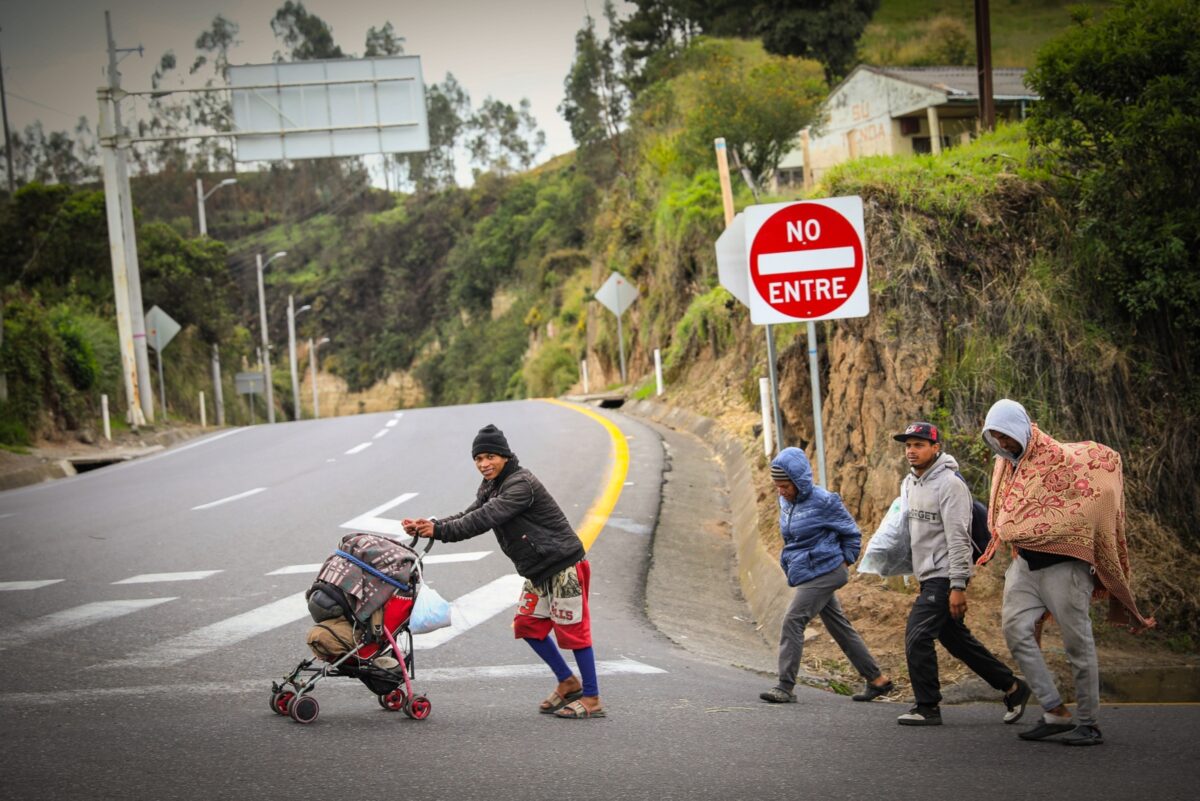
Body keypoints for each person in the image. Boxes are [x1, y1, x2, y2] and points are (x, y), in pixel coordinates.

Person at [401, 424, 604, 719]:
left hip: (563, 566)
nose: (484, 464)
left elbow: (484, 518)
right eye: (478, 458)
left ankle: (592, 698)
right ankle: (568, 681)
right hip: (538, 570)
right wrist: (431, 525)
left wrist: (440, 531)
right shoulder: (492, 485)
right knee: (527, 626)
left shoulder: (521, 485)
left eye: (490, 457)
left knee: (574, 633)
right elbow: (470, 513)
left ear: (505, 456)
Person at [982, 400, 1154, 746]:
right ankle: (1054, 711)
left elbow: (1095, 490)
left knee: (1078, 643)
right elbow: (1008, 511)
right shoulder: (1006, 463)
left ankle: (1089, 723)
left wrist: (1061, 527)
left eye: (1006, 435)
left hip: (1065, 566)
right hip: (1025, 564)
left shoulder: (1055, 458)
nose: (1002, 442)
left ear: (1020, 429)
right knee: (1015, 630)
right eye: (995, 436)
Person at [892, 421, 1031, 726]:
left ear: (935, 448)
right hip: (928, 575)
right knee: (956, 641)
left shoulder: (950, 485)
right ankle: (1013, 687)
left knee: (917, 635)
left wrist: (958, 585)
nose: (912, 451)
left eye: (919, 445)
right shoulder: (909, 483)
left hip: (945, 575)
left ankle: (927, 706)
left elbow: (958, 539)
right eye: (908, 445)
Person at [758, 447, 894, 705]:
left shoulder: (824, 501)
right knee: (838, 626)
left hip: (828, 570)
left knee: (793, 620)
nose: (781, 491)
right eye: (777, 486)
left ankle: (785, 686)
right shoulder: (785, 501)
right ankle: (877, 680)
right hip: (810, 570)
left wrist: (844, 561)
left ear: (799, 481)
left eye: (785, 486)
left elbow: (852, 533)